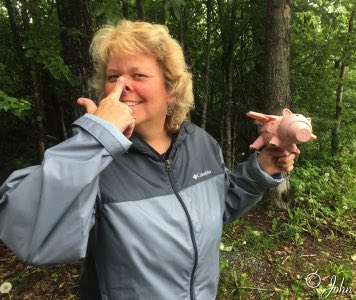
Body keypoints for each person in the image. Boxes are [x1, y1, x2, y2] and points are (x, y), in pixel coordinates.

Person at [0, 20, 295, 300]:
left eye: (138, 75)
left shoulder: (201, 143)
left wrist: (262, 169)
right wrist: (96, 139)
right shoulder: (92, 159)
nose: (121, 86)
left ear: (171, 88)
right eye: (113, 77)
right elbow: (32, 237)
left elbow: (214, 209)